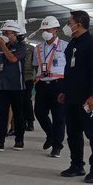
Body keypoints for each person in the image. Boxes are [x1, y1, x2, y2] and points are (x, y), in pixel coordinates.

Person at [58, 10, 93, 183]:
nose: (68, 25)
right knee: (73, 134)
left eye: (70, 22)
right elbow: (69, 71)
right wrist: (64, 91)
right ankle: (77, 165)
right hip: (72, 98)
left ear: (79, 23)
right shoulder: (72, 44)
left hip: (88, 99)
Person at [0, 20, 26, 152]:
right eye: (3, 32)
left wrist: (3, 45)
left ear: (14, 34)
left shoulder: (21, 46)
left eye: (6, 33)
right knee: (2, 114)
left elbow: (13, 59)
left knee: (18, 114)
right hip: (1, 87)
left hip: (16, 87)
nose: (3, 35)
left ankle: (19, 140)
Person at [33, 15, 67, 158]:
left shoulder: (65, 46)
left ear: (56, 30)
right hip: (42, 85)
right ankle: (51, 135)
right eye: (43, 29)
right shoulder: (38, 48)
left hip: (59, 84)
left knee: (59, 117)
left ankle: (57, 146)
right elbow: (36, 66)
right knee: (39, 112)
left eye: (49, 29)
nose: (45, 31)